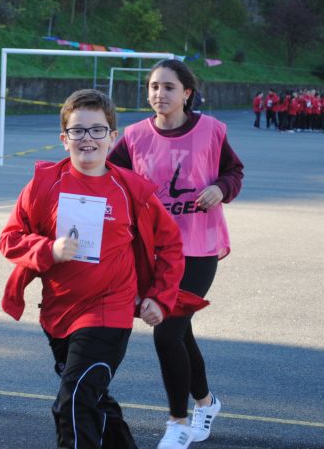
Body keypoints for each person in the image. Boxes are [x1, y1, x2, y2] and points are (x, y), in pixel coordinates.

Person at [0, 89, 189, 449]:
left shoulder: (131, 190)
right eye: (78, 130)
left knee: (73, 402)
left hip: (109, 312)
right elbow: (10, 239)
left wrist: (160, 297)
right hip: (58, 313)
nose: (88, 138)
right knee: (93, 400)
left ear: (112, 136)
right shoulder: (44, 185)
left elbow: (171, 245)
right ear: (64, 138)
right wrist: (47, 249)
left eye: (97, 130)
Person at [109, 59, 244, 449]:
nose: (159, 94)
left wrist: (220, 188)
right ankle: (206, 402)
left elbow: (234, 172)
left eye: (168, 87)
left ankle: (178, 423)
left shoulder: (211, 130)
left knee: (167, 331)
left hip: (198, 248)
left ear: (187, 93)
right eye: (153, 86)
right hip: (154, 251)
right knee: (180, 332)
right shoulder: (134, 136)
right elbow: (109, 176)